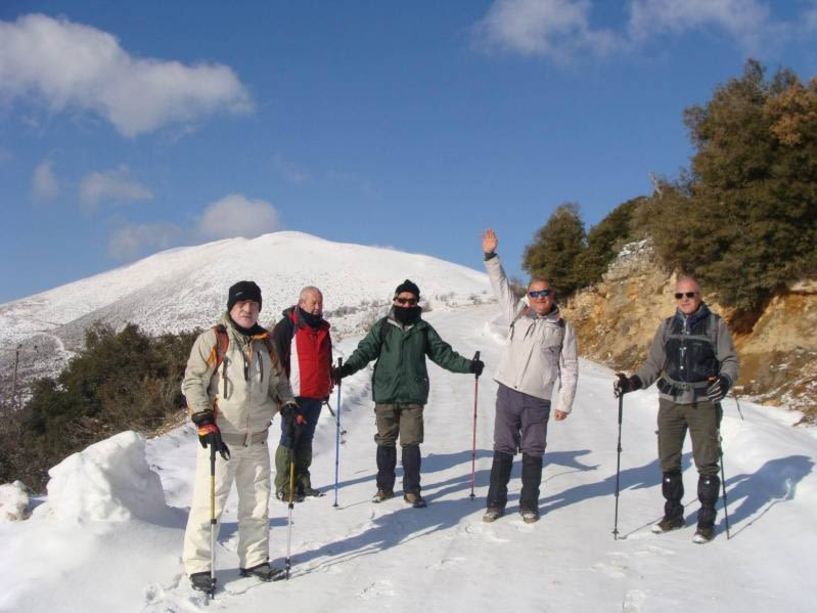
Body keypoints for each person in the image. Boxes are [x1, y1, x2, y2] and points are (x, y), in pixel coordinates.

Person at [181, 281, 298, 592]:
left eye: (253, 304)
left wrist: (288, 404)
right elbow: (193, 382)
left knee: (257, 505)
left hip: (257, 439)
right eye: (241, 304)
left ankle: (255, 559)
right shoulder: (214, 340)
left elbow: (280, 383)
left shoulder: (267, 344)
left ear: (259, 308)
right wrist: (204, 419)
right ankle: (199, 566)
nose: (247, 309)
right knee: (209, 505)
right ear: (231, 307)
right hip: (221, 440)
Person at [332, 279, 484, 508]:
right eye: (402, 300)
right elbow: (365, 351)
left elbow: (443, 355)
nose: (406, 305)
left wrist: (469, 366)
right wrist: (346, 369)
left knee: (411, 444)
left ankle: (412, 491)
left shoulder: (423, 330)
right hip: (385, 393)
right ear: (394, 301)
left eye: (411, 301)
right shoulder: (382, 326)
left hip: (413, 395)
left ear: (416, 303)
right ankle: (384, 488)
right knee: (385, 442)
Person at [614, 275, 739, 542]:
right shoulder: (667, 326)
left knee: (707, 463)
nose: (685, 300)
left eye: (690, 295)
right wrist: (632, 383)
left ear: (700, 295)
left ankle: (706, 522)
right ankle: (673, 515)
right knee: (669, 461)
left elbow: (729, 360)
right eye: (679, 296)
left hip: (703, 403)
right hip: (670, 403)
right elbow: (653, 364)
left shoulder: (715, 325)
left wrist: (725, 381)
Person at [481, 229, 578, 524]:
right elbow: (499, 286)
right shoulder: (517, 314)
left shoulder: (563, 328)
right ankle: (496, 504)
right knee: (503, 448)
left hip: (538, 398)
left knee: (534, 451)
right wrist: (491, 256)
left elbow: (570, 367)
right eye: (534, 293)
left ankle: (529, 504)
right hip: (508, 392)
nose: (538, 297)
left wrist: (565, 402)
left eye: (543, 293)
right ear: (529, 296)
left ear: (552, 296)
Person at [271, 286, 333, 502]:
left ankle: (302, 482)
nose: (317, 307)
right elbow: (275, 362)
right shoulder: (287, 326)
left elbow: (326, 360)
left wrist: (327, 384)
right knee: (289, 436)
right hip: (292, 396)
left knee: (306, 438)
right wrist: (280, 395)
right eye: (313, 302)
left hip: (316, 394)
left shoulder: (323, 328)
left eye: (320, 303)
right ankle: (284, 486)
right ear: (301, 302)